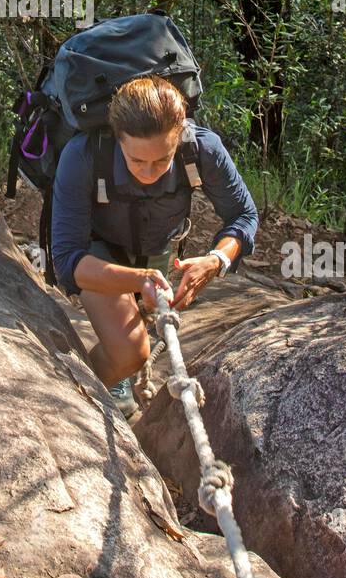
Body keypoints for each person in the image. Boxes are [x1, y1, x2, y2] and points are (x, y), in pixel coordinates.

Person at [50, 74, 259, 417]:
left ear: (179, 137)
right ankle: (75, 409)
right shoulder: (85, 154)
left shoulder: (202, 149)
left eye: (163, 160)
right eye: (137, 161)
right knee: (132, 351)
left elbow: (243, 214)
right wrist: (138, 279)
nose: (150, 172)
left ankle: (113, 377)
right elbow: (68, 260)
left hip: (161, 248)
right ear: (118, 139)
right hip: (99, 254)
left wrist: (216, 260)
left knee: (144, 316)